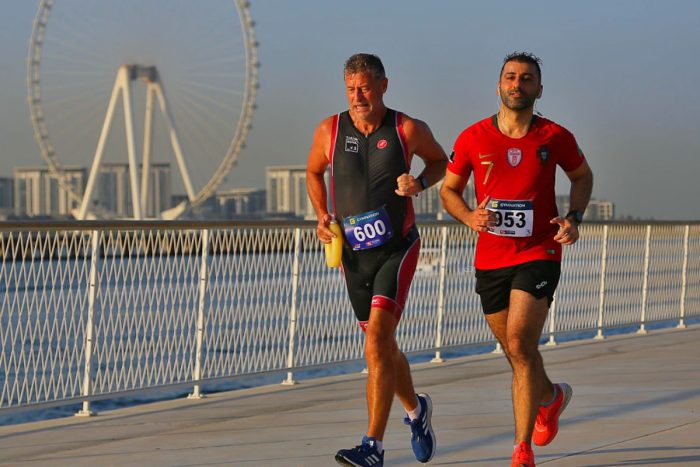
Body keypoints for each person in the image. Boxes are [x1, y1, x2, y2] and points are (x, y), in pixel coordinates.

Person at [440, 52, 593, 467]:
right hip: (490, 258)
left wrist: (574, 218)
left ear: (538, 89)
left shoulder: (554, 136)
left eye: (527, 79)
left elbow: (582, 176)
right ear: (498, 86)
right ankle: (550, 396)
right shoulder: (473, 137)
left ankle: (521, 450)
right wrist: (470, 216)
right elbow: (448, 191)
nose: (517, 84)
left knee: (520, 342)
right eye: (510, 77)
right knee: (515, 351)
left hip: (540, 250)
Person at [306, 53, 448, 467]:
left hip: (396, 248)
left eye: (365, 87)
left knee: (376, 342)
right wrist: (321, 215)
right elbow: (314, 172)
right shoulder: (329, 130)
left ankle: (373, 446)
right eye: (350, 88)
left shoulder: (407, 128)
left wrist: (418, 182)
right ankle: (417, 411)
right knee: (381, 347)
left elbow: (441, 161)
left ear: (384, 85)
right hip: (353, 255)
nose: (357, 96)